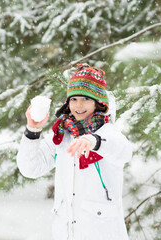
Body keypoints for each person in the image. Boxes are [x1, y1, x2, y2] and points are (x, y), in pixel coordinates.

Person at [16, 64, 132, 240]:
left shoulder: (108, 132)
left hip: (103, 232)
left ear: (97, 102)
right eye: (74, 99)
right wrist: (33, 130)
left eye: (85, 99)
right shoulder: (62, 135)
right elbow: (30, 168)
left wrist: (94, 141)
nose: (78, 105)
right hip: (66, 232)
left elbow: (123, 151)